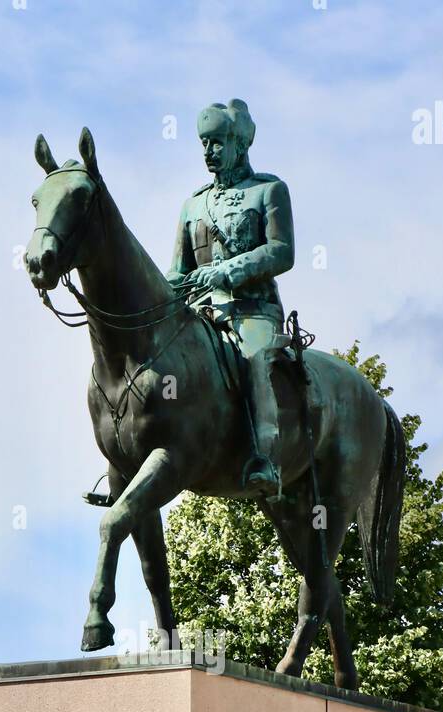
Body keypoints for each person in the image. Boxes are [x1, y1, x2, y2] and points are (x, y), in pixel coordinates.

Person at [166, 99, 295, 493]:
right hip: (202, 313)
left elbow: (282, 251)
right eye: (205, 143)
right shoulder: (192, 204)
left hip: (252, 310)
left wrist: (227, 271)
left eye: (218, 142)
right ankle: (130, 456)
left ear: (240, 143)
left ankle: (264, 457)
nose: (209, 151)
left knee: (254, 360)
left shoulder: (268, 190)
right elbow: (178, 270)